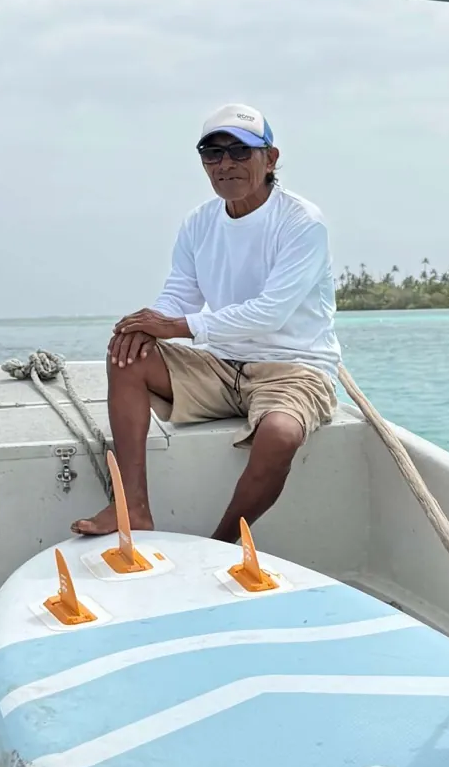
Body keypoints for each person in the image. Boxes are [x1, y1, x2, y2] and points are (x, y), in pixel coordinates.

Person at [72, 103, 339, 544]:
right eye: (212, 154)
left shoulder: (301, 223)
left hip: (293, 367)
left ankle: (219, 545)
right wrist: (147, 324)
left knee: (281, 434)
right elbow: (179, 293)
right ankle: (133, 507)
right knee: (127, 355)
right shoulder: (199, 222)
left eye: (240, 152)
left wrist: (176, 326)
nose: (225, 164)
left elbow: (271, 311)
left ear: (269, 159)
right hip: (221, 363)